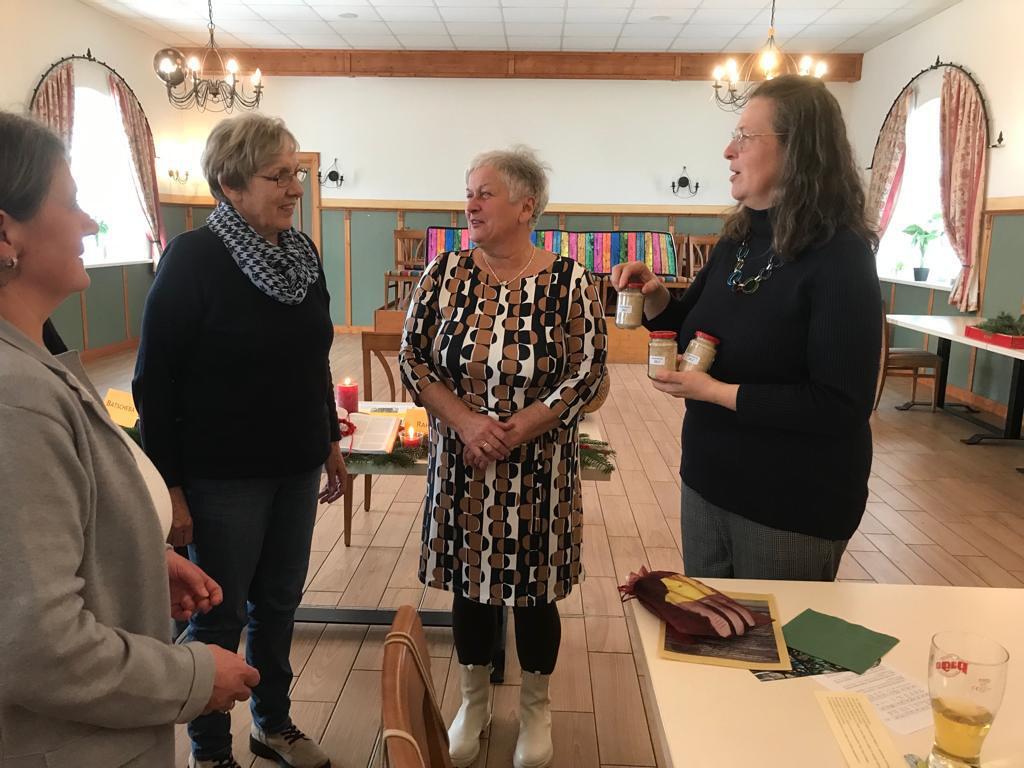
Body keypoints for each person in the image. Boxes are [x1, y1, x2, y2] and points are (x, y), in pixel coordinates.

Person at [0, 111, 258, 767]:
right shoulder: (16, 396)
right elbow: (36, 647)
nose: (89, 223)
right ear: (6, 232)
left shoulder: (33, 362)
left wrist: (136, 559)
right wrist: (192, 676)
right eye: (72, 203)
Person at [133, 114, 346, 768]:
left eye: (296, 174)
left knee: (279, 604)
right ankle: (210, 751)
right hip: (222, 477)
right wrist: (171, 488)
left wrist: (329, 443)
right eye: (277, 177)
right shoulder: (193, 258)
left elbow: (314, 357)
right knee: (218, 615)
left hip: (295, 464)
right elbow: (154, 380)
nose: (294, 189)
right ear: (230, 183)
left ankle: (272, 724)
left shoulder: (301, 254)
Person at [612, 75, 881, 581]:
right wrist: (657, 298)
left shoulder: (840, 257)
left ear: (798, 150)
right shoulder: (738, 241)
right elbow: (693, 333)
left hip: (791, 502)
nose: (728, 150)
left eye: (745, 136)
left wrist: (715, 392)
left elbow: (840, 405)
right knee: (710, 626)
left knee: (769, 634)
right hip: (708, 479)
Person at [399, 147, 607, 768]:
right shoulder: (444, 272)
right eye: (468, 192)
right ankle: (474, 703)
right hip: (463, 461)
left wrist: (515, 430)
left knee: (536, 591)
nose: (471, 204)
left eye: (484, 193)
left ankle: (536, 710)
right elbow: (413, 358)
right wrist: (468, 423)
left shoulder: (570, 280)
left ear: (525, 206)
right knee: (471, 586)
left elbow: (587, 371)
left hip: (540, 467)